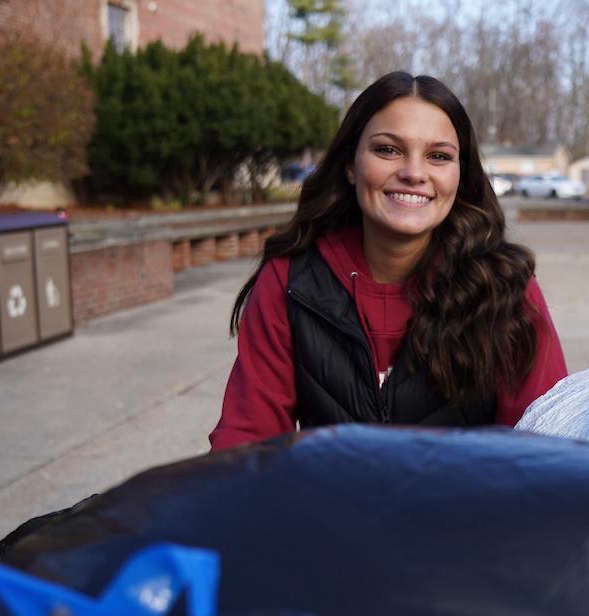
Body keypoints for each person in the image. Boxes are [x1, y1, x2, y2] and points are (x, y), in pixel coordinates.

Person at [209, 72, 567, 450]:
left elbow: (543, 444)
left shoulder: (506, 287)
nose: (413, 173)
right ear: (350, 164)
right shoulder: (290, 281)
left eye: (439, 156)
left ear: (460, 176)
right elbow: (247, 439)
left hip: (467, 507)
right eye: (387, 150)